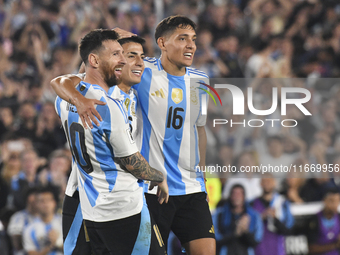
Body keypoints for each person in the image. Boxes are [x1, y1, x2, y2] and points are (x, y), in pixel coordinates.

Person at [51, 16, 216, 254]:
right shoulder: (110, 98)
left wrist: (201, 174)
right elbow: (81, 75)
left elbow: (198, 129)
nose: (138, 62)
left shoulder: (197, 81)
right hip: (120, 194)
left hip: (166, 190)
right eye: (123, 55)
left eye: (193, 39)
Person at [56, 29, 168, 255]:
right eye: (122, 54)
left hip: (92, 202)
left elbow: (64, 81)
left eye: (139, 56)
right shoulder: (108, 103)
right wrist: (160, 176)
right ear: (96, 60)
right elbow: (130, 161)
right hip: (110, 202)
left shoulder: (69, 96)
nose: (127, 61)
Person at [213, 184, 263, 255]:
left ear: (244, 197)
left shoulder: (254, 216)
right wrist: (235, 233)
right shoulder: (220, 214)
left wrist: (245, 231)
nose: (236, 197)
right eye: (234, 193)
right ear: (230, 196)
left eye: (239, 194)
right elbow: (216, 239)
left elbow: (256, 241)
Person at [251, 174, 294, 255]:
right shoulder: (252, 204)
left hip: (277, 249)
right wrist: (260, 217)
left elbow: (288, 230)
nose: (267, 183)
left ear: (274, 183)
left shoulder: (282, 203)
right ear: (260, 183)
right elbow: (249, 227)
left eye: (269, 181)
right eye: (264, 181)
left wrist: (275, 218)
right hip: (258, 249)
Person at [23, 187, 63, 255]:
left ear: (54, 203)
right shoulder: (29, 229)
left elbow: (76, 250)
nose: (45, 204)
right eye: (42, 201)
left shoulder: (64, 223)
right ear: (36, 204)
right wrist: (50, 246)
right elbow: (31, 253)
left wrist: (58, 243)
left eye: (48, 200)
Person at [306, 189, 340, 255]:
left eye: (338, 201)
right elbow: (311, 248)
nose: (335, 205)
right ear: (324, 201)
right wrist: (335, 245)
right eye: (331, 201)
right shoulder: (314, 221)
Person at [8, 188, 38, 255]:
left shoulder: (47, 218)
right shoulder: (18, 217)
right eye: (34, 195)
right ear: (27, 198)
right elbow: (17, 244)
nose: (36, 199)